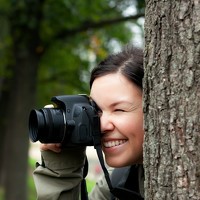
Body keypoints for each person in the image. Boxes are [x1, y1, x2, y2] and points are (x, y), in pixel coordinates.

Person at [33, 44, 144, 200]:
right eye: (96, 111)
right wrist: (61, 170)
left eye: (119, 110)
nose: (102, 125)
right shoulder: (117, 182)